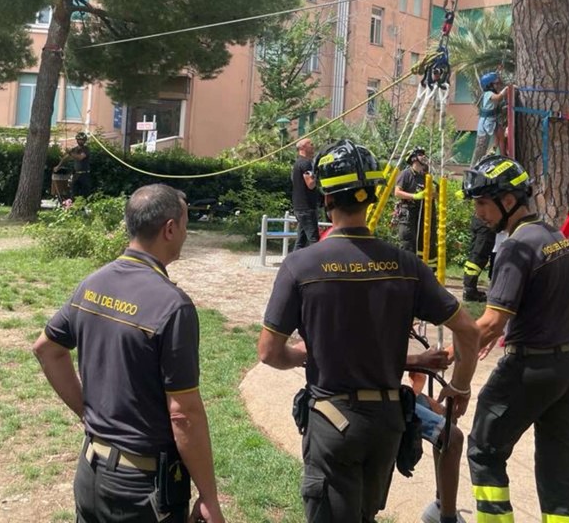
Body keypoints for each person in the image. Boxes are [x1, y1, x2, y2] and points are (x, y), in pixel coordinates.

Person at [258, 138, 480, 523]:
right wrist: (459, 386)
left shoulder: (301, 266)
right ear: (373, 195)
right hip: (387, 423)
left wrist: (304, 354)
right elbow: (469, 331)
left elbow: (268, 352)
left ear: (327, 197)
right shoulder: (406, 265)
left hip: (332, 420)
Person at [32, 184, 223, 523]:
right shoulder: (172, 306)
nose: (186, 233)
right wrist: (209, 497)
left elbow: (47, 349)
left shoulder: (93, 283)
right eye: (185, 224)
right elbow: (184, 414)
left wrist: (88, 414)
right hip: (140, 492)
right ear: (169, 229)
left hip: (91, 472)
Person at [463, 155, 569, 523]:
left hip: (531, 368)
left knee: (484, 449)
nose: (478, 213)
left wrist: (455, 351)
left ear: (508, 200)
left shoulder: (515, 247)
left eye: (482, 203)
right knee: (561, 469)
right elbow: (538, 302)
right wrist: (502, 329)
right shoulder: (553, 236)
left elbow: (491, 322)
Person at [406, 347, 469, 523]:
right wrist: (418, 360)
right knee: (452, 437)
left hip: (393, 390)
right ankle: (448, 519)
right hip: (377, 395)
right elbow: (375, 360)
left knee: (446, 417)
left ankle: (440, 505)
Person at [395, 147, 437, 260]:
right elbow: (397, 192)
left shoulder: (426, 176)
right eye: (420, 154)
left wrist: (434, 193)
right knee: (408, 241)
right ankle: (406, 266)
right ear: (413, 158)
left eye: (424, 154)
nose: (424, 156)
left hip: (422, 212)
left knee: (425, 241)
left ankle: (421, 266)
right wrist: (414, 196)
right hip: (408, 212)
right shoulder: (406, 174)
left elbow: (434, 195)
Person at [291, 137, 321, 250]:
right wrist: (318, 174)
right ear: (303, 147)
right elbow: (311, 184)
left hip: (300, 207)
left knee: (301, 241)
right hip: (306, 208)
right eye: (310, 144)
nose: (313, 147)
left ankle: (294, 260)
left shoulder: (297, 163)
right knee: (314, 240)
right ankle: (318, 260)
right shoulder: (306, 163)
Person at [471, 73, 506, 165]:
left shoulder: (493, 93)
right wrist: (506, 89)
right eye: (496, 83)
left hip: (492, 121)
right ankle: (474, 166)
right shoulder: (488, 94)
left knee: (500, 137)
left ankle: (503, 157)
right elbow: (498, 97)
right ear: (490, 85)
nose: (498, 85)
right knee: (481, 148)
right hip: (485, 124)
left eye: (499, 83)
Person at [461, 216, 495, 303]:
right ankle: (470, 290)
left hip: (478, 220)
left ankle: (468, 288)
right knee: (478, 257)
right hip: (486, 223)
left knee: (474, 255)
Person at [55, 131, 92, 199]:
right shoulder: (74, 149)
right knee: (73, 192)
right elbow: (65, 158)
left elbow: (80, 157)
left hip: (85, 174)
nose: (80, 141)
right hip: (76, 174)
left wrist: (70, 153)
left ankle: (86, 204)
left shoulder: (86, 149)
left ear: (85, 141)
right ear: (77, 140)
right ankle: (73, 204)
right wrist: (58, 166)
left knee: (86, 193)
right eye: (79, 139)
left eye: (82, 140)